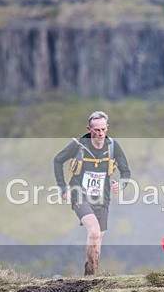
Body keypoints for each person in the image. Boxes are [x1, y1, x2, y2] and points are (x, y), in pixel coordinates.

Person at [53, 111, 131, 276]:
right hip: (79, 194)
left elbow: (126, 172)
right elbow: (58, 160)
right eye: (97, 130)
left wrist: (121, 184)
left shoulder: (113, 146)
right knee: (94, 231)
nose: (100, 133)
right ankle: (90, 277)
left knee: (98, 238)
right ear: (89, 129)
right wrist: (62, 187)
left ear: (107, 128)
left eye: (103, 129)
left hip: (103, 198)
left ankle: (91, 275)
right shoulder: (79, 145)